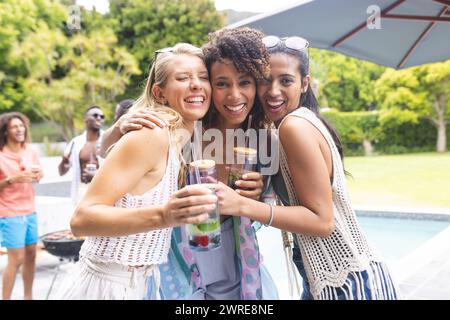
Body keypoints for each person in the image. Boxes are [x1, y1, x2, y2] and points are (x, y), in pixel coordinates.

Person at [214, 35, 400, 300]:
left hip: (344, 283)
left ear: (304, 84)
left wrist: (242, 205)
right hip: (342, 276)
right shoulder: (292, 125)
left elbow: (322, 221)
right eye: (265, 80)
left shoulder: (294, 126)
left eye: (286, 80)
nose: (273, 91)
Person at [101, 28, 279, 300]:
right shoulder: (188, 126)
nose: (234, 95)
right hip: (179, 265)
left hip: (237, 266)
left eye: (244, 82)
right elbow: (108, 152)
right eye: (221, 83)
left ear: (256, 85)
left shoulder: (264, 142)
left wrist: (255, 200)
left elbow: (265, 211)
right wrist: (119, 127)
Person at [54, 43, 215, 300]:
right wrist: (164, 215)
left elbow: (108, 150)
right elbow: (81, 220)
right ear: (159, 93)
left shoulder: (186, 136)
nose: (196, 84)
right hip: (105, 285)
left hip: (142, 282)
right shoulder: (152, 135)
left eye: (203, 77)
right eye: (183, 78)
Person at [0, 112, 43, 300]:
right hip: (10, 213)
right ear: (5, 131)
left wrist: (39, 173)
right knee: (16, 259)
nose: (20, 129)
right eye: (15, 127)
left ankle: (28, 297)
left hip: (30, 210)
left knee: (31, 256)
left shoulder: (30, 151)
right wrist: (11, 179)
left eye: (22, 125)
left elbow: (38, 174)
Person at [58, 106, 105, 205]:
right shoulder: (75, 142)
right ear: (86, 119)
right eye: (95, 115)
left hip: (103, 190)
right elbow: (62, 172)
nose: (99, 118)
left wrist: (97, 176)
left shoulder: (107, 140)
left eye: (102, 116)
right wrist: (64, 163)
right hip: (82, 190)